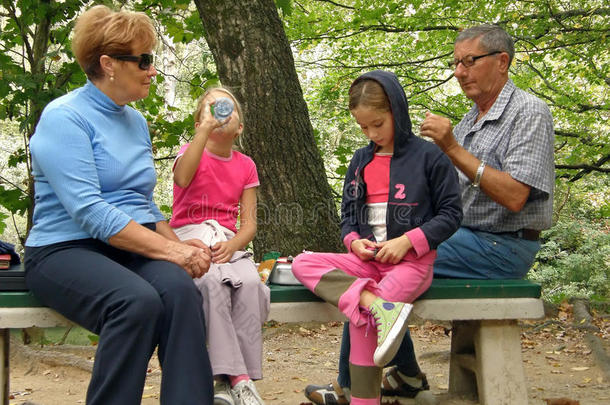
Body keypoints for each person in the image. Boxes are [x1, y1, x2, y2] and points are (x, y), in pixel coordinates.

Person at [304, 24, 555, 405]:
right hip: (462, 236)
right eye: (456, 62)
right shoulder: (472, 118)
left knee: (383, 267)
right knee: (380, 261)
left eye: (469, 61)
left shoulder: (528, 112)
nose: (459, 71)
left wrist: (451, 148)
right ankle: (404, 373)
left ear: (502, 62)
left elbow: (517, 196)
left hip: (501, 245)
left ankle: (352, 387)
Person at [24, 5, 214, 405]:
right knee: (135, 302)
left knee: (180, 293)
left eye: (152, 59)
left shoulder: (136, 122)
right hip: (65, 249)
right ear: (108, 64)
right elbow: (91, 212)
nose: (152, 70)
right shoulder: (65, 118)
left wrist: (180, 244)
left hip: (131, 246)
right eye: (143, 60)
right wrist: (172, 251)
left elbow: (141, 203)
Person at [291, 70, 463, 405]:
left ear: (397, 111)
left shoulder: (430, 157)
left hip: (409, 265)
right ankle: (376, 305)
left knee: (361, 319)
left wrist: (407, 241)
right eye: (363, 127)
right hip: (366, 264)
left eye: (378, 124)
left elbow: (451, 214)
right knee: (302, 263)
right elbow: (349, 217)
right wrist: (354, 242)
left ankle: (363, 399)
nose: (372, 134)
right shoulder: (360, 160)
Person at [170, 87, 270, 405]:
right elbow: (183, 179)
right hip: (189, 237)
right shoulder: (189, 152)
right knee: (211, 282)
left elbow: (250, 224)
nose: (219, 112)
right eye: (210, 108)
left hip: (228, 241)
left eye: (227, 107)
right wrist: (203, 131)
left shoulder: (246, 165)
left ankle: (230, 383)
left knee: (252, 283)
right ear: (200, 121)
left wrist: (234, 245)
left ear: (239, 126)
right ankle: (237, 379)